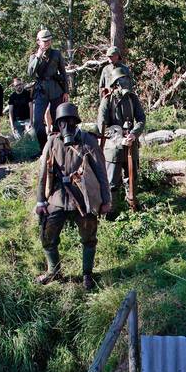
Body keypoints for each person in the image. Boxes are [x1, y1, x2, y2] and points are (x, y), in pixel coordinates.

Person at [34, 102, 111, 289]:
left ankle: (87, 275)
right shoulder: (52, 141)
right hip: (58, 197)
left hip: (84, 198)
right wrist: (40, 201)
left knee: (89, 236)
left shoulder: (88, 140)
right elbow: (43, 172)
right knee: (47, 235)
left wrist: (106, 200)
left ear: (76, 122)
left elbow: (101, 171)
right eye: (62, 122)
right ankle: (54, 271)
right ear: (57, 124)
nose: (66, 126)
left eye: (69, 121)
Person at [97, 70, 146, 213]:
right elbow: (103, 127)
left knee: (132, 179)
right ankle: (111, 213)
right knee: (112, 183)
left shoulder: (133, 98)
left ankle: (132, 208)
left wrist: (133, 134)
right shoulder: (107, 100)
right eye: (122, 80)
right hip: (113, 148)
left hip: (131, 145)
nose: (126, 83)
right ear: (115, 83)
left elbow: (141, 119)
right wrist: (120, 139)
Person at [27, 28, 70, 148]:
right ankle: (44, 147)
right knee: (37, 122)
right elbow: (30, 73)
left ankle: (58, 147)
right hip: (41, 91)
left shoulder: (56, 53)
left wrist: (66, 91)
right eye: (44, 41)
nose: (47, 43)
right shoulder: (33, 56)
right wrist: (38, 56)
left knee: (58, 119)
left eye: (49, 40)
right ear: (38, 42)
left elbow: (63, 73)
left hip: (56, 89)